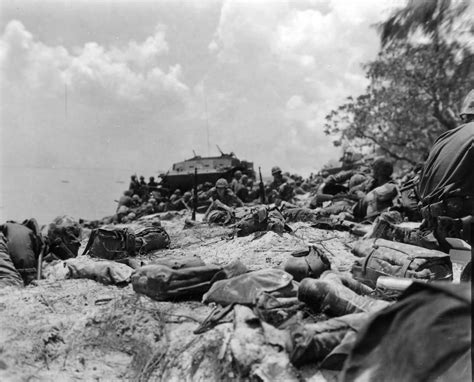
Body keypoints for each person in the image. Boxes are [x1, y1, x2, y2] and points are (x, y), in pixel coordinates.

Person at [418, 90, 474, 280]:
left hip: (435, 230)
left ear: (465, 115)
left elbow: (420, 189)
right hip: (462, 230)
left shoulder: (444, 138)